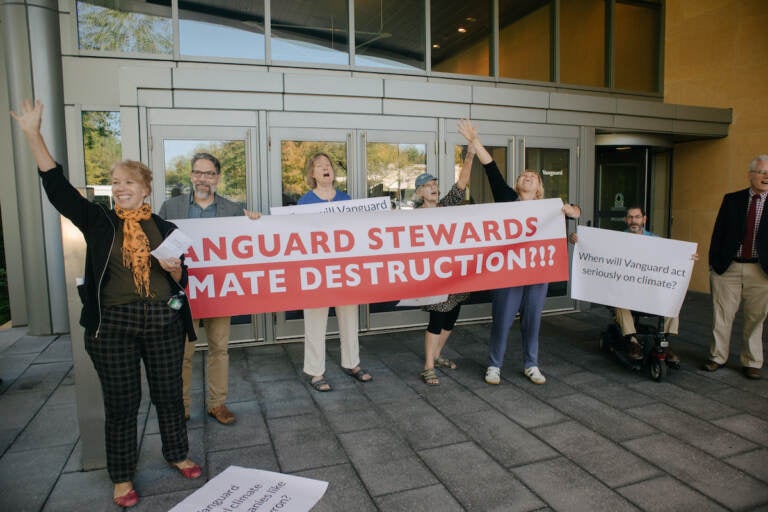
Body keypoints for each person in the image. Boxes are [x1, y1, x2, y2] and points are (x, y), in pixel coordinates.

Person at [11, 100, 201, 508]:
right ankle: (121, 476)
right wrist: (33, 135)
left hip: (163, 322)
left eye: (128, 182)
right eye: (115, 182)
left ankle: (176, 453)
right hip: (111, 328)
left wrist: (172, 269)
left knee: (168, 394)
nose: (119, 188)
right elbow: (58, 189)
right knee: (122, 403)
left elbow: (181, 280)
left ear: (146, 187)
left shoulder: (167, 227)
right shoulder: (99, 221)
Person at [458, 119, 581, 386]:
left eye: (534, 177)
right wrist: (474, 141)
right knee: (502, 320)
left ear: (539, 188)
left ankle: (531, 364)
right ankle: (494, 365)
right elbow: (490, 167)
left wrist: (573, 211)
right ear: (517, 183)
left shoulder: (550, 206)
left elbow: (573, 211)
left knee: (533, 321)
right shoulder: (506, 198)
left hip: (538, 273)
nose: (528, 177)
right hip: (508, 272)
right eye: (524, 175)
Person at [159, 153, 259, 425]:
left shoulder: (233, 210)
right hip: (185, 291)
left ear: (218, 177)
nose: (203, 179)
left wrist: (255, 223)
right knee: (183, 352)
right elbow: (158, 243)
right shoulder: (171, 207)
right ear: (191, 176)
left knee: (219, 349)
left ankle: (217, 403)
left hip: (218, 290)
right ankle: (182, 405)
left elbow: (250, 243)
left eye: (209, 173)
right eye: (198, 173)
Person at [298, 153, 372, 391]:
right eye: (319, 166)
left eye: (327, 165)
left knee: (349, 318)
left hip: (344, 270)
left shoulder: (345, 199)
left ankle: (353, 364)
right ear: (312, 174)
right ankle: (316, 372)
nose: (324, 168)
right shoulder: (304, 202)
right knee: (315, 322)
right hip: (316, 272)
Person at [704, 154, 768, 380]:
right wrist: (713, 264)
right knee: (722, 315)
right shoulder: (732, 199)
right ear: (750, 174)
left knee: (756, 317)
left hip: (761, 271)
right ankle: (717, 356)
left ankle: (752, 361)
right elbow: (718, 233)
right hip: (728, 268)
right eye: (761, 171)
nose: (766, 176)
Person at [416, 146, 476, 386]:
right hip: (434, 276)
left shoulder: (446, 206)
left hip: (455, 274)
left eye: (435, 184)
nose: (434, 187)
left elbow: (462, 182)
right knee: (437, 320)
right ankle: (428, 367)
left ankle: (437, 356)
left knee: (451, 317)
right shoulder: (410, 217)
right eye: (428, 185)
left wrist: (470, 156)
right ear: (420, 192)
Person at [608, 206, 681, 362]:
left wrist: (688, 257)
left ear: (644, 219)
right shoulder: (616, 240)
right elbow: (599, 251)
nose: (634, 220)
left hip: (650, 291)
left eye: (637, 217)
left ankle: (664, 342)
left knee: (674, 301)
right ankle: (633, 341)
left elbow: (673, 259)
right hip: (627, 292)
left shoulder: (656, 241)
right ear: (626, 219)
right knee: (618, 301)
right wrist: (579, 241)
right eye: (630, 217)